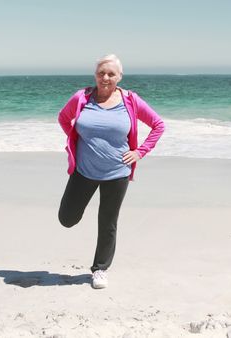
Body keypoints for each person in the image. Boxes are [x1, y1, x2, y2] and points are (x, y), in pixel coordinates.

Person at [57, 54, 165, 289]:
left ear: (119, 77)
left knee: (108, 221)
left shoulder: (131, 101)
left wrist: (140, 152)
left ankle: (100, 269)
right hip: (84, 171)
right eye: (101, 73)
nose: (105, 77)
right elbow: (64, 118)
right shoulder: (81, 98)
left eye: (111, 74)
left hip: (117, 172)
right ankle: (99, 265)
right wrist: (76, 137)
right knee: (67, 218)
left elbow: (158, 125)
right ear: (95, 75)